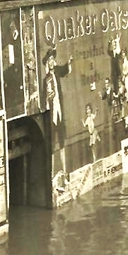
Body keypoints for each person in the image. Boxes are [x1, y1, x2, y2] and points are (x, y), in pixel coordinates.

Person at [43, 47, 73, 175]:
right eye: (49, 60)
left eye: (52, 59)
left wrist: (69, 62)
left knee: (62, 142)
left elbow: (64, 69)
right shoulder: (46, 80)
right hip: (51, 115)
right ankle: (51, 173)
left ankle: (65, 172)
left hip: (59, 112)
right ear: (47, 63)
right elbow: (45, 97)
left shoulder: (56, 73)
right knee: (51, 144)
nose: (51, 61)